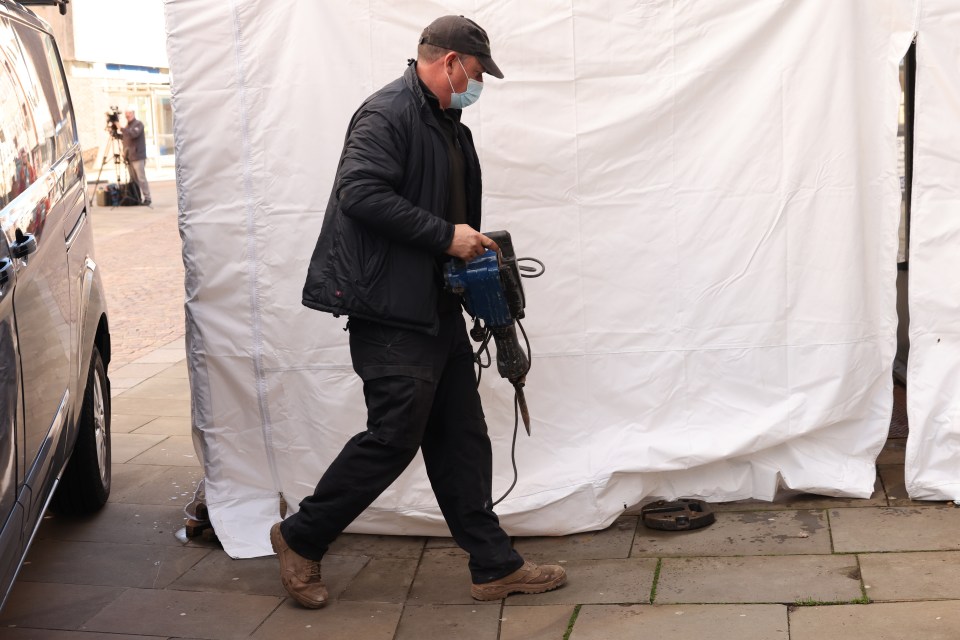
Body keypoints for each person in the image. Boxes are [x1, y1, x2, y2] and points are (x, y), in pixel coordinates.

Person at [270, 15, 567, 609]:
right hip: (389, 309)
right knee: (393, 436)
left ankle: (494, 566)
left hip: (435, 305)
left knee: (461, 435)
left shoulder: (448, 124)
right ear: (450, 62)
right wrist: (445, 236)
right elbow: (360, 194)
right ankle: (300, 538)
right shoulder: (388, 114)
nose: (477, 85)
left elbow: (444, 209)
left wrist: (469, 259)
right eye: (476, 73)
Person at [119, 109, 151, 206]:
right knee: (133, 179)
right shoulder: (127, 126)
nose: (127, 115)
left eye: (129, 113)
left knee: (141, 178)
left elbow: (133, 134)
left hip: (138, 156)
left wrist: (121, 128)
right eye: (126, 114)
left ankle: (147, 198)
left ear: (133, 113)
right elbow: (126, 137)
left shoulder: (138, 124)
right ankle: (137, 198)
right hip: (129, 157)